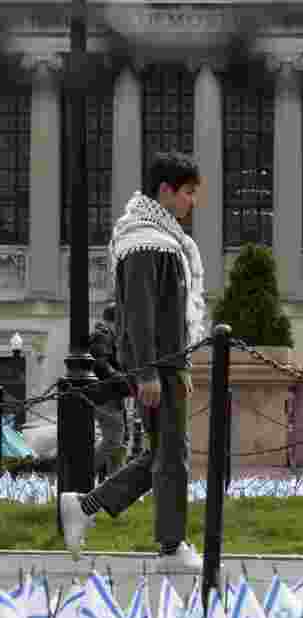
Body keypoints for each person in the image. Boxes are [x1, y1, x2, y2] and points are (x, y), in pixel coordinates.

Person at [61, 151, 207, 572]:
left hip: (165, 365)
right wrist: (147, 372)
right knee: (172, 455)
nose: (191, 203)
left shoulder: (157, 239)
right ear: (165, 191)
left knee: (163, 454)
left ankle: (87, 507)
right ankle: (171, 547)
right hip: (158, 366)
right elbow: (140, 315)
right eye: (188, 193)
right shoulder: (146, 243)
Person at [88, 302, 128, 480]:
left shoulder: (107, 335)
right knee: (113, 440)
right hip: (106, 397)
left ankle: (115, 486)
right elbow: (100, 364)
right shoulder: (102, 335)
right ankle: (83, 474)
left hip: (111, 396)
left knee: (118, 444)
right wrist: (120, 377)